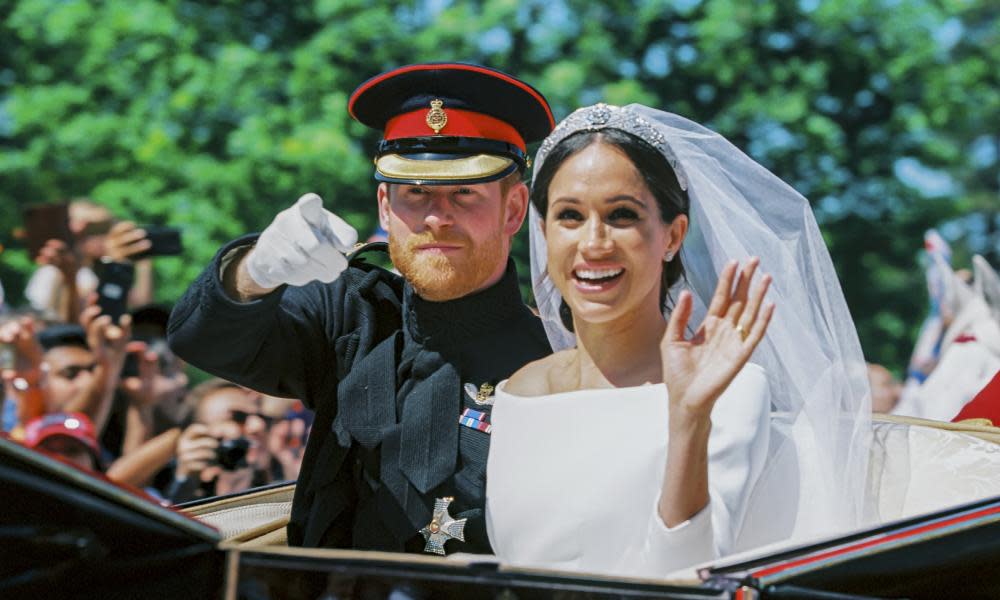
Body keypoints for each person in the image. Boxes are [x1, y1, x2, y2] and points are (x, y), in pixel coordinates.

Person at [168, 64, 555, 554]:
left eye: (464, 192)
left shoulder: (553, 361)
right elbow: (201, 340)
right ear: (385, 208)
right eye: (415, 193)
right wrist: (252, 272)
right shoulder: (353, 312)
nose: (437, 217)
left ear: (514, 210)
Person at [485, 104, 872, 577]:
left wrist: (688, 418)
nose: (594, 242)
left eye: (622, 215)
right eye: (569, 216)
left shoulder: (730, 388)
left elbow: (690, 575)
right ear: (543, 231)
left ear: (672, 235)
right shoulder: (519, 392)